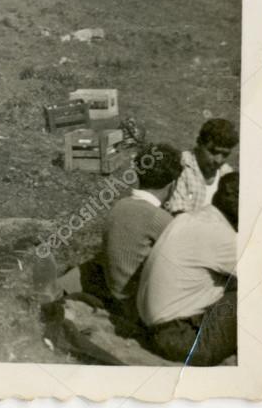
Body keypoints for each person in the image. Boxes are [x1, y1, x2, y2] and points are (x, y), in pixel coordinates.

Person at [138, 172, 239, 365]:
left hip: (152, 328)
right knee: (253, 292)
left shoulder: (188, 218)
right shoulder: (221, 235)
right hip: (183, 338)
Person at [101, 144, 182, 318]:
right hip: (134, 305)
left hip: (112, 290)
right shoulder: (159, 218)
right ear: (172, 185)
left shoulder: (119, 205)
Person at [165, 118, 238, 215]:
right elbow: (179, 217)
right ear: (199, 143)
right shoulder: (182, 166)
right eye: (213, 152)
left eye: (225, 155)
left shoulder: (226, 173)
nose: (218, 160)